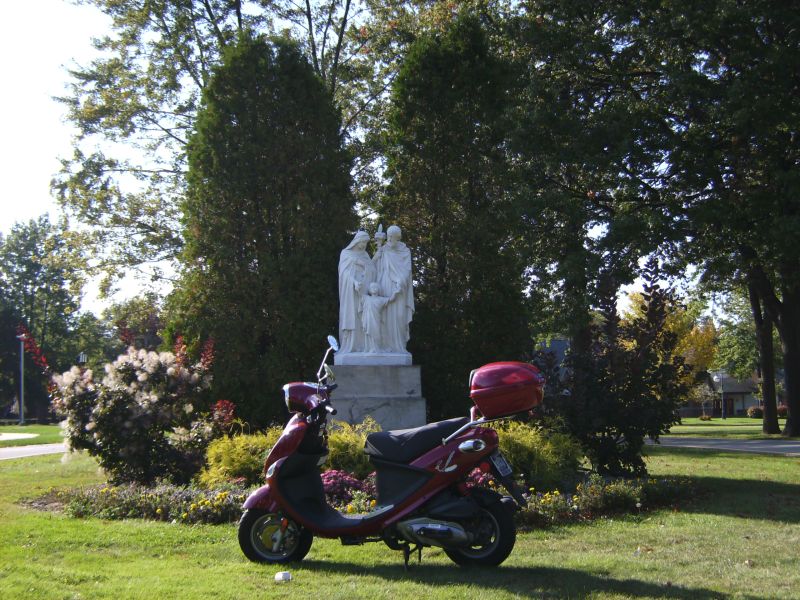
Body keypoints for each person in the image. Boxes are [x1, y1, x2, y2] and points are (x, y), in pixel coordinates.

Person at [372, 225, 414, 354]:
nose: (390, 239)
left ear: (398, 237)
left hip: (399, 287)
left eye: (393, 237)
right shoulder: (383, 249)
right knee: (385, 316)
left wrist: (401, 280)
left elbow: (407, 270)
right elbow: (374, 267)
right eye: (389, 237)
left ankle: (399, 347)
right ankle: (385, 346)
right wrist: (377, 253)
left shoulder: (405, 251)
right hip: (385, 284)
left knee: (399, 315)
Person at [338, 231, 376, 354]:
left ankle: (364, 345)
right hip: (350, 291)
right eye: (363, 242)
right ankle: (351, 345)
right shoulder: (345, 253)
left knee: (363, 317)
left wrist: (365, 266)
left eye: (366, 242)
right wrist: (353, 282)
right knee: (352, 315)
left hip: (363, 289)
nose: (365, 245)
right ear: (357, 240)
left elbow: (373, 270)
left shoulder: (365, 255)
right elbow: (343, 273)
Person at [361, 282, 393, 353]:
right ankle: (372, 348)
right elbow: (359, 292)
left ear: (378, 289)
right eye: (372, 287)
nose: (374, 289)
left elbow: (390, 299)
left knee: (376, 333)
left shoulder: (381, 299)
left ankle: (377, 348)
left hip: (376, 318)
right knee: (369, 332)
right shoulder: (366, 298)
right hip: (368, 319)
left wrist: (397, 292)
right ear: (369, 289)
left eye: (375, 287)